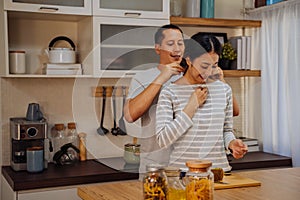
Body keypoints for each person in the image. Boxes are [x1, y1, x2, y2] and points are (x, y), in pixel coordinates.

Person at [155, 33, 247, 171]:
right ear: (189, 59)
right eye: (204, 66)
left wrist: (232, 143)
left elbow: (226, 131)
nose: (208, 72)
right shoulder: (170, 92)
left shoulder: (224, 90)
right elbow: (163, 140)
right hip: (183, 174)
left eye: (214, 65)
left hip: (218, 172)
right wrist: (191, 106)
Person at [124, 24, 185, 173]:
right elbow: (130, 115)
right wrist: (162, 77)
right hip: (155, 165)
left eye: (180, 43)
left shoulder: (192, 76)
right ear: (158, 48)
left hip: (188, 164)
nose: (177, 49)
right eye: (170, 44)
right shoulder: (142, 78)